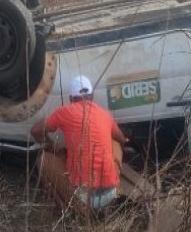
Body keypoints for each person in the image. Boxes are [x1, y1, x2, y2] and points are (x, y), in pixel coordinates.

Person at [30, 75, 129, 215]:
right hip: (111, 194)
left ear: (71, 98)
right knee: (115, 142)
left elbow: (35, 130)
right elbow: (122, 139)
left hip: (84, 200)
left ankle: (66, 209)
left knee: (43, 160)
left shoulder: (65, 111)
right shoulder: (105, 114)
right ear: (92, 95)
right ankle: (114, 188)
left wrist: (50, 146)